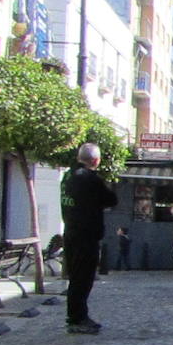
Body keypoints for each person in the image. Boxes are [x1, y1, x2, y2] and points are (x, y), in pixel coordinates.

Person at [60, 142, 117, 333]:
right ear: (96, 160)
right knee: (83, 279)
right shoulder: (91, 179)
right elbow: (111, 200)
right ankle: (77, 318)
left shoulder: (67, 176)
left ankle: (76, 315)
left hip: (70, 232)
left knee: (76, 277)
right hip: (86, 235)